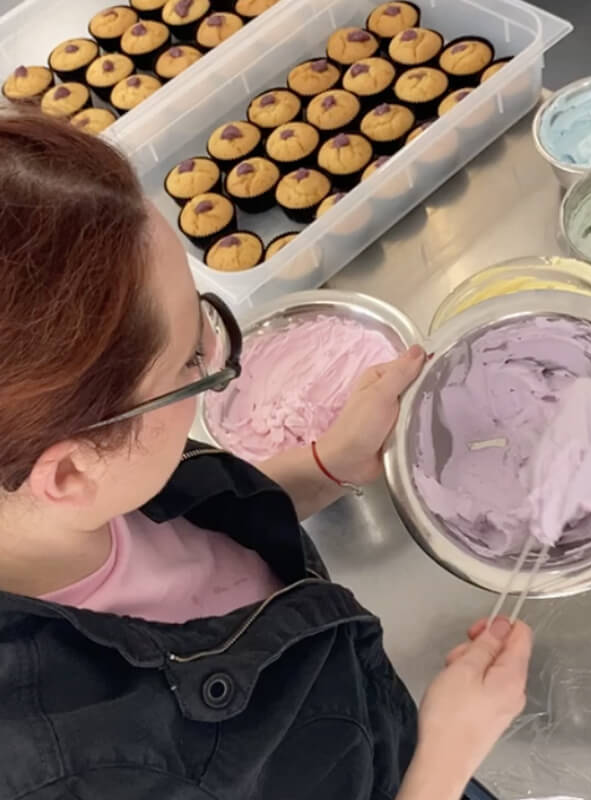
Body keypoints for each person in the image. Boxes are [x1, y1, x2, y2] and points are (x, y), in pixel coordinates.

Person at [0, 108, 533, 799]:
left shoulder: (63, 486)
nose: (218, 365)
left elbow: (191, 523)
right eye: (192, 359)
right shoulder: (77, 767)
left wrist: (325, 466)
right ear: (69, 472)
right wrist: (442, 761)